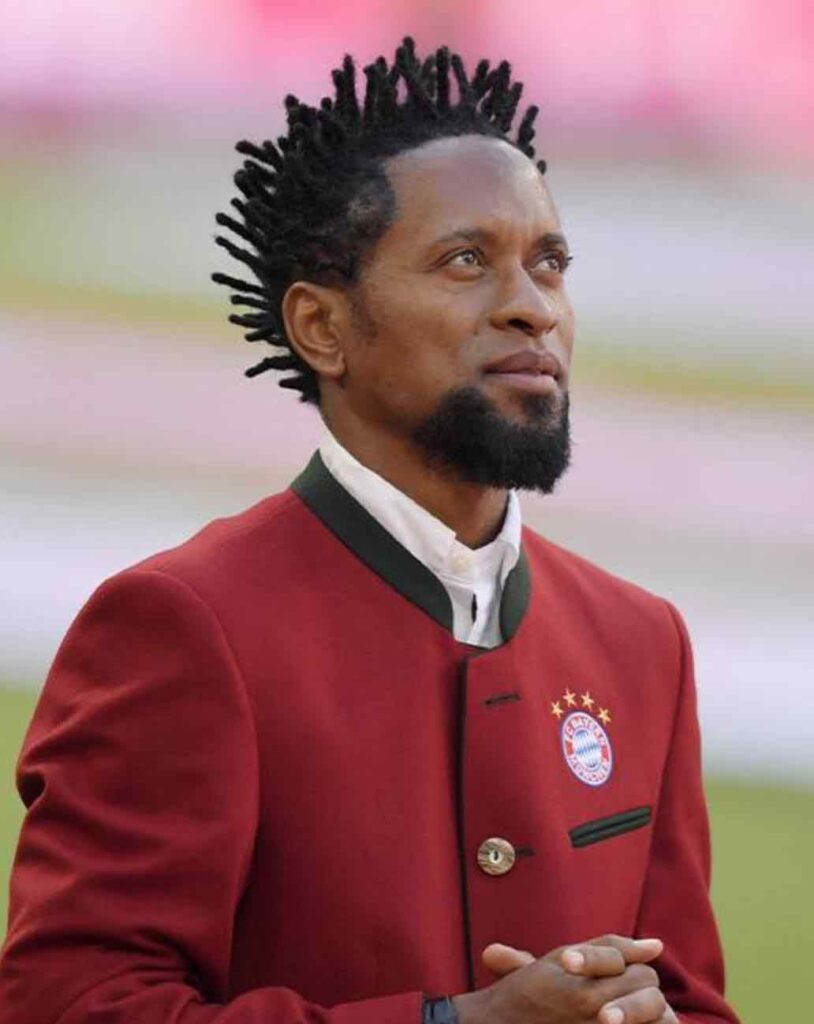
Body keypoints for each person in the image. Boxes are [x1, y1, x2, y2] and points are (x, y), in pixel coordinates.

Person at [0, 38, 739, 1024]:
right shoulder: (184, 623)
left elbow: (690, 999)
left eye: (549, 264)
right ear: (323, 327)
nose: (531, 309)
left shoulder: (642, 641)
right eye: (466, 261)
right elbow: (71, 1004)